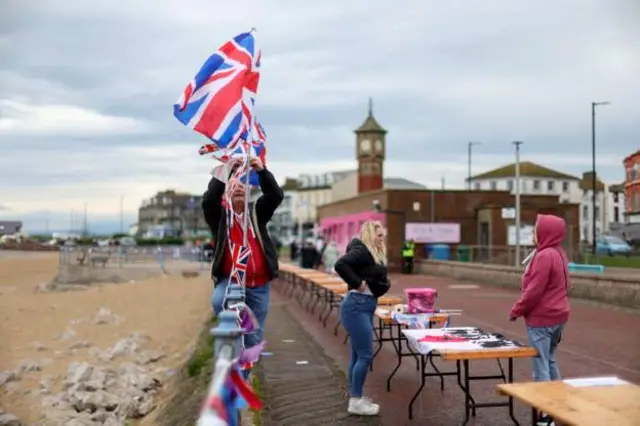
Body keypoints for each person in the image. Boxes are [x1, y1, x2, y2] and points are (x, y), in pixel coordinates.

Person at [202, 157, 284, 349]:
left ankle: (244, 375)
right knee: (218, 301)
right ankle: (229, 333)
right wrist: (226, 171)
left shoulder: (257, 213)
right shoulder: (219, 218)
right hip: (230, 280)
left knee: (253, 339)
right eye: (234, 187)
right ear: (225, 195)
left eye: (242, 187)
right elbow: (209, 200)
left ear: (248, 194)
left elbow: (275, 196)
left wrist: (261, 171)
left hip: (259, 285)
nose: (239, 189)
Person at [509, 214, 570, 426]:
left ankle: (545, 415)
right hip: (559, 316)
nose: (533, 233)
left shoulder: (544, 257)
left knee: (540, 366)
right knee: (550, 360)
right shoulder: (559, 253)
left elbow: (534, 290)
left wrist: (517, 309)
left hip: (542, 319)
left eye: (536, 229)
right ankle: (560, 403)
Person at [334, 221, 390, 416]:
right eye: (379, 235)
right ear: (370, 234)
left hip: (363, 306)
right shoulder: (363, 251)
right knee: (365, 355)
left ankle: (355, 396)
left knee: (358, 355)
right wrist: (357, 283)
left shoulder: (370, 253)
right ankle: (356, 401)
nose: (382, 238)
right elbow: (340, 264)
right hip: (357, 306)